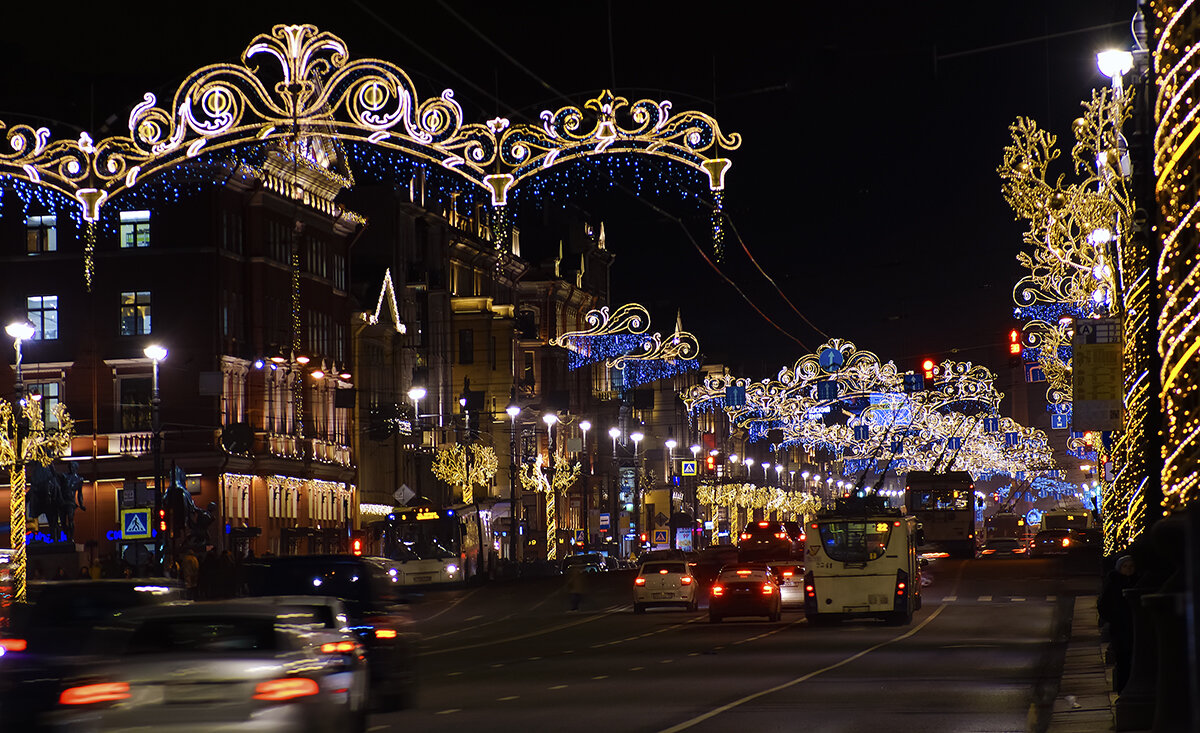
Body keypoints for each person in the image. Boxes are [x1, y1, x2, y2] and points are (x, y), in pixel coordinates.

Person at [1098, 555, 1138, 692]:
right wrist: (1115, 618)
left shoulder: (1136, 582)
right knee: (1122, 660)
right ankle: (1123, 689)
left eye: (1131, 566)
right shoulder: (1114, 583)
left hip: (1133, 628)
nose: (1128, 569)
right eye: (1125, 566)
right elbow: (1103, 605)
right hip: (1120, 628)